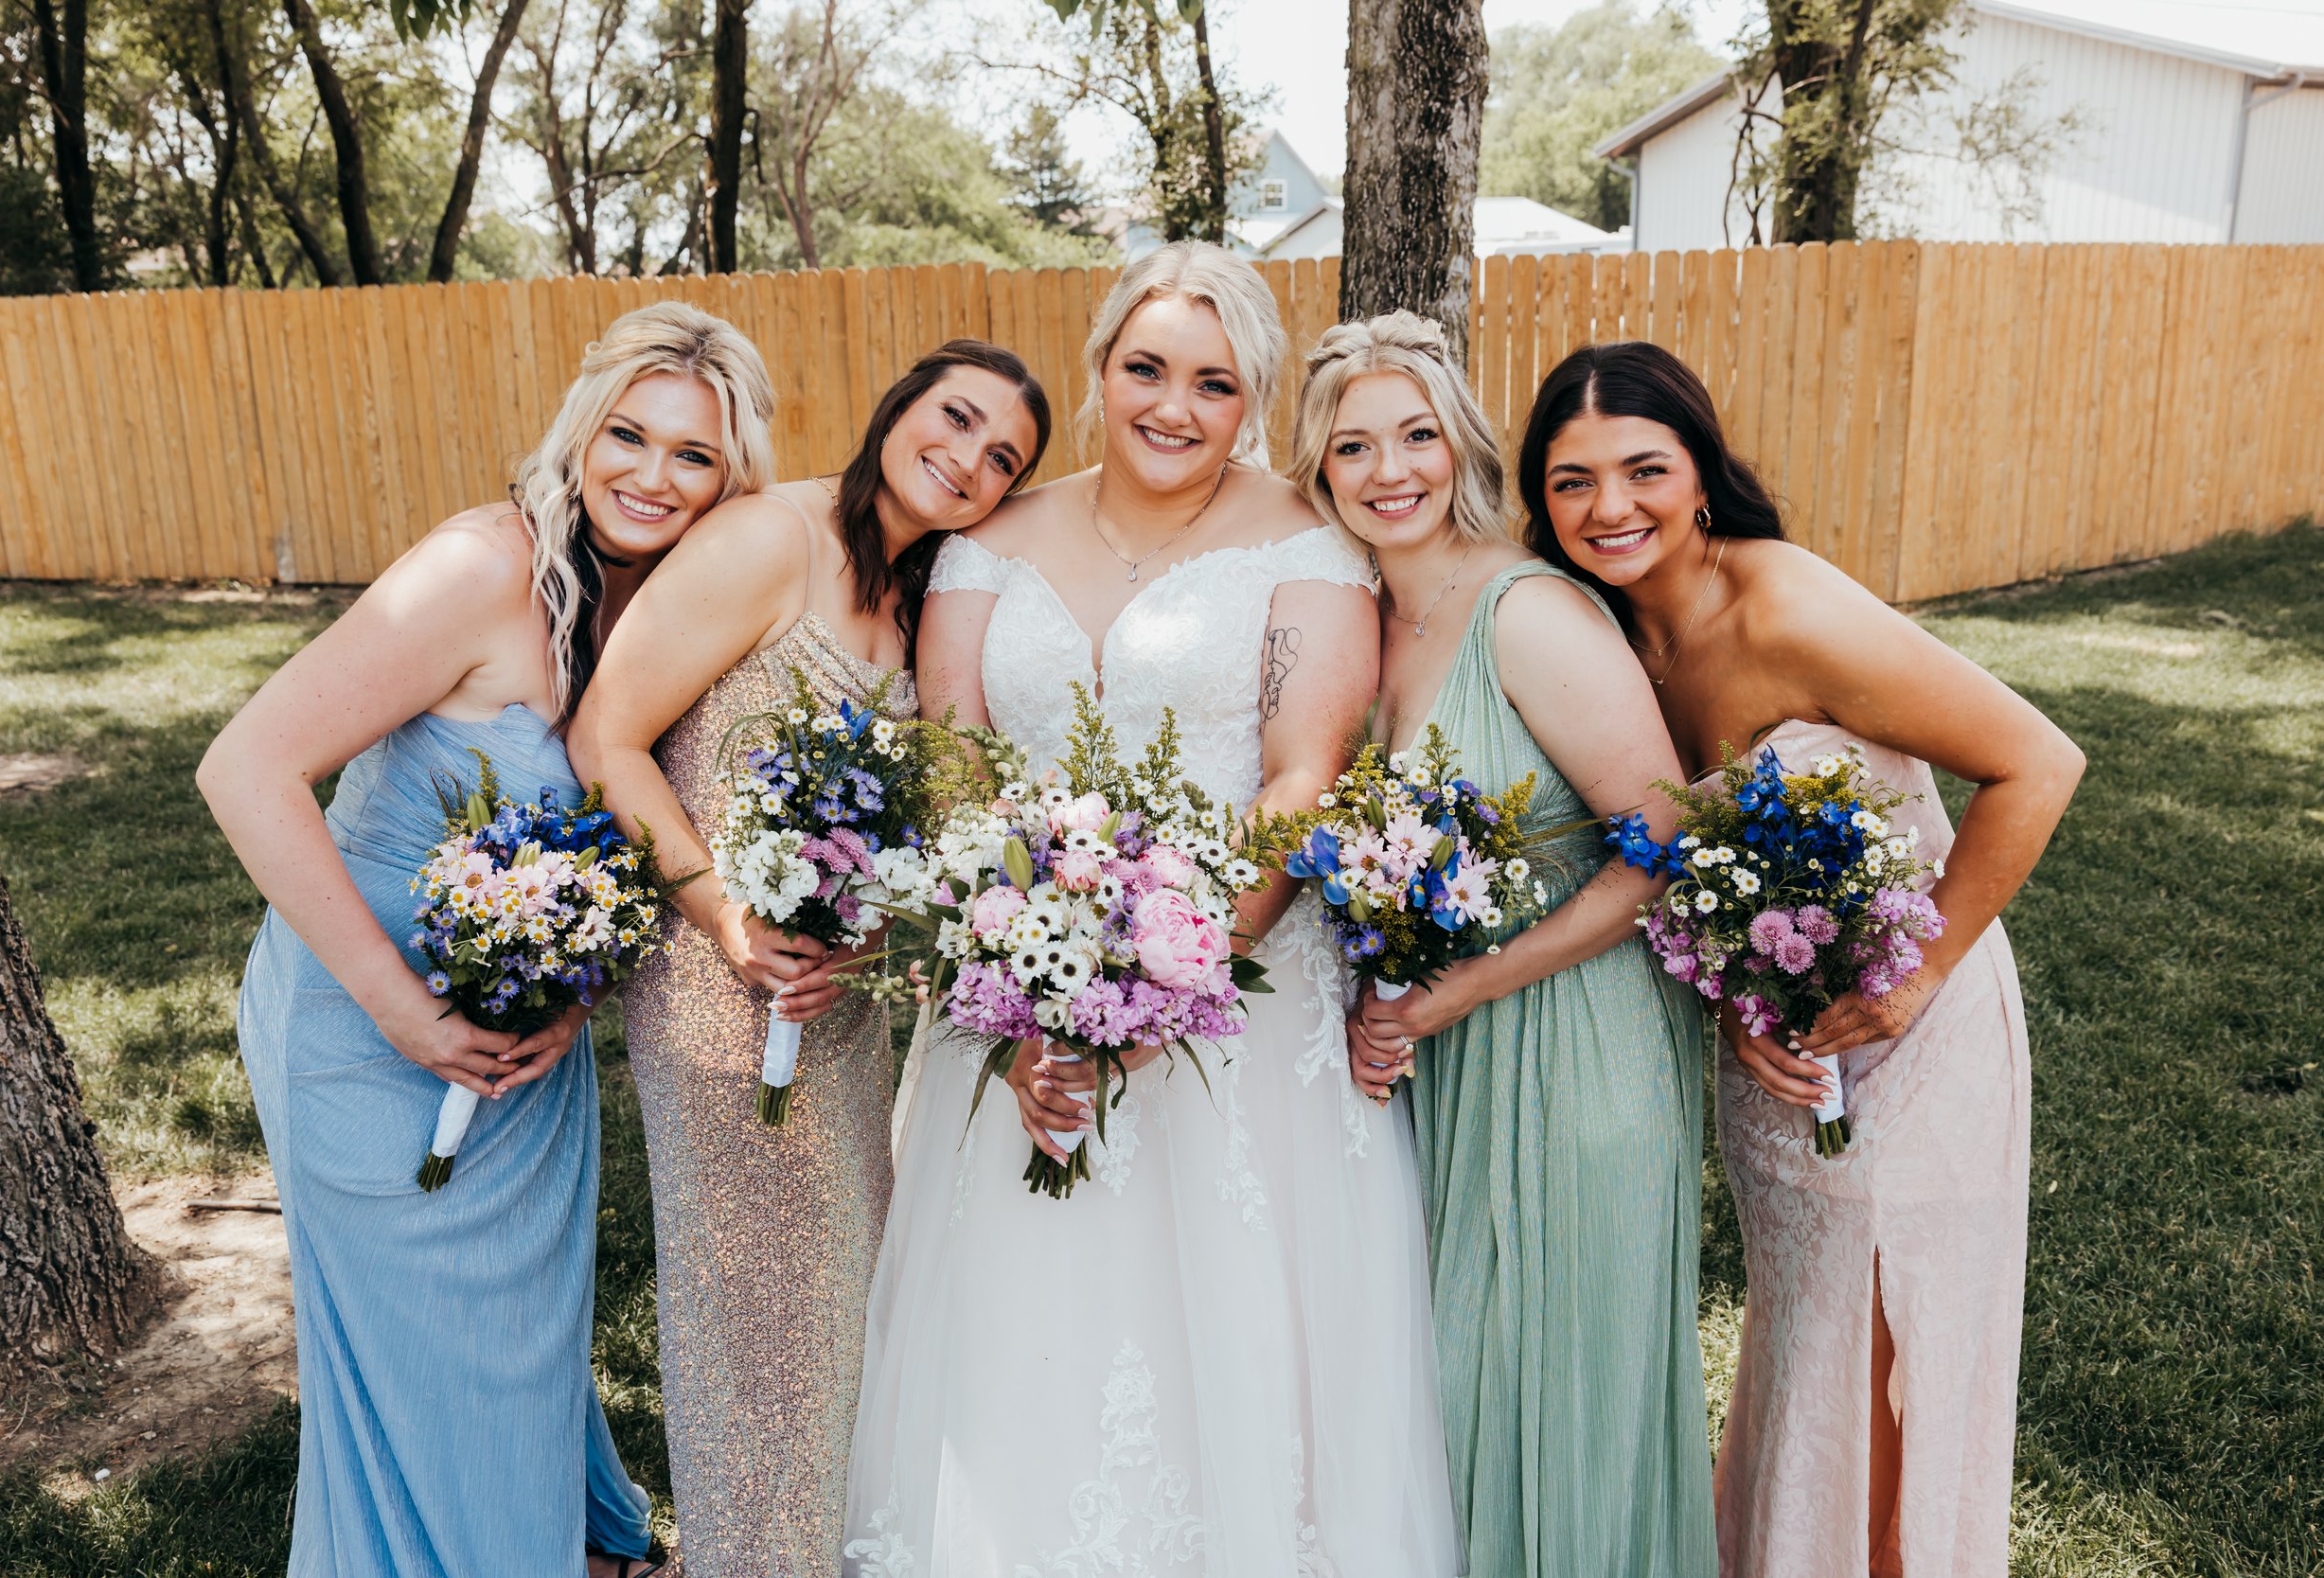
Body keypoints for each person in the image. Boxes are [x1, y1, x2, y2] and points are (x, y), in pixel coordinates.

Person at [843, 243, 1460, 1576]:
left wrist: (1161, 981)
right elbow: (957, 782)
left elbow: (1302, 780)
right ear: (1100, 368)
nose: (1173, 408)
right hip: (1013, 993)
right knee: (1024, 1334)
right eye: (1146, 370)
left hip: (1242, 1007)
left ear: (1253, 400)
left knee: (1234, 1355)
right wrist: (1021, 998)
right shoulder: (985, 547)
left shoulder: (1308, 545)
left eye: (1215, 384)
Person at [202, 300, 777, 1578]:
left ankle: (571, 1545)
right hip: (361, 1033)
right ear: (582, 428)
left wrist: (579, 989)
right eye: (629, 435)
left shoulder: (665, 610)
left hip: (527, 1049)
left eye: (697, 457)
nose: (653, 476)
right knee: (423, 1361)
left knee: (520, 1342)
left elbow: (626, 832)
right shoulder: (478, 569)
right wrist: (404, 1012)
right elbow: (244, 768)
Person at [1521, 340, 2084, 1578]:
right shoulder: (1604, 637)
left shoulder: (1788, 609)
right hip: (1772, 1060)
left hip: (1919, 1033)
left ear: (1702, 474)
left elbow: (2039, 764)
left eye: (1642, 469)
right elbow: (1678, 864)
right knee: (1805, 1355)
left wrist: (1914, 978)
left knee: (1897, 1357)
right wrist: (1735, 1002)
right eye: (1572, 482)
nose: (1609, 507)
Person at [567, 340, 1049, 1578]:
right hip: (714, 1002)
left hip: (836, 1014)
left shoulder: (923, 596)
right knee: (756, 1338)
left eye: (1003, 458)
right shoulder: (767, 540)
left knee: (846, 1327)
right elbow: (609, 739)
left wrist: (876, 914)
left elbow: (912, 815)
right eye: (955, 418)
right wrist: (730, 920)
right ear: (897, 407)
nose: (968, 457)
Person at [1321, 313, 1715, 1578]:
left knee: (1560, 1378)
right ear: (1317, 473)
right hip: (1451, 1056)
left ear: (1462, 445)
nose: (1391, 472)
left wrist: (1455, 992)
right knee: (1463, 1384)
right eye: (1353, 448)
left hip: (1578, 1047)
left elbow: (1658, 847)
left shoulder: (1527, 610)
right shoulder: (1368, 623)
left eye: (1417, 436)